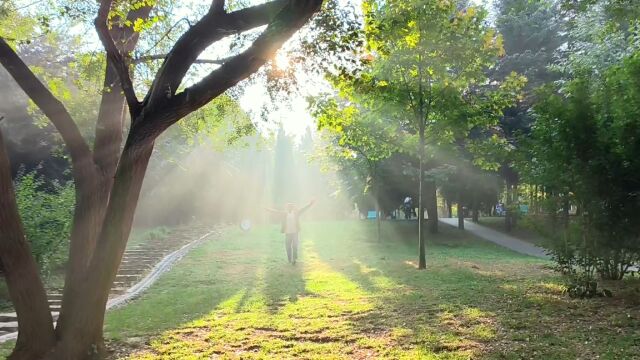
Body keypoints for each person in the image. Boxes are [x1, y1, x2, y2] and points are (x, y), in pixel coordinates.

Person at [266, 199, 315, 264]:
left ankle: (294, 259)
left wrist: (310, 204)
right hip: (288, 233)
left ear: (292, 208)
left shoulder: (296, 213)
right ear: (287, 208)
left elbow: (304, 209)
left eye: (290, 207)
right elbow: (276, 212)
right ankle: (289, 259)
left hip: (295, 233)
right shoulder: (284, 213)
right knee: (288, 247)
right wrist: (268, 209)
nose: (289, 208)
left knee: (295, 246)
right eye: (288, 207)